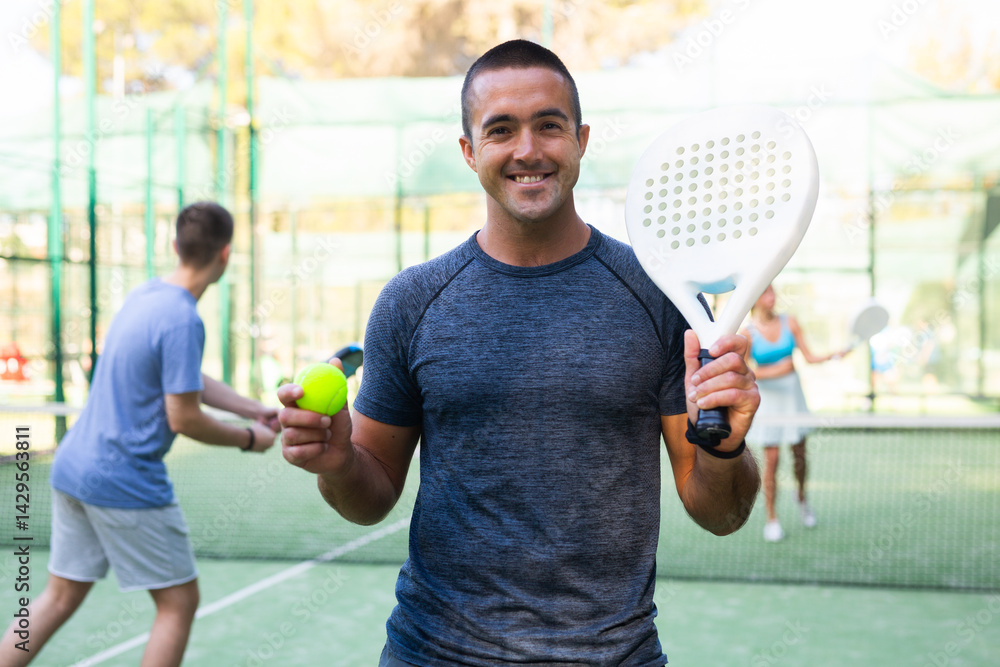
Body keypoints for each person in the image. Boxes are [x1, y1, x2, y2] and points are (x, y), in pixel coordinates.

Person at [279, 40, 761, 666]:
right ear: (469, 150)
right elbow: (368, 500)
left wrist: (725, 447)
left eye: (549, 126)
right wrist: (339, 460)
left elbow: (718, 512)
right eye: (501, 129)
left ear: (581, 140)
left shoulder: (658, 295)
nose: (527, 150)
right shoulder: (410, 302)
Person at [0, 202, 279, 667]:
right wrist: (249, 438)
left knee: (59, 597)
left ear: (175, 246)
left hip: (72, 469)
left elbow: (185, 379)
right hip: (121, 480)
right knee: (177, 604)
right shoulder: (184, 319)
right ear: (225, 255)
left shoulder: (146, 295)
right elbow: (184, 417)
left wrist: (253, 409)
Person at [740, 283, 848, 543]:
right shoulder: (748, 334)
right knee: (773, 460)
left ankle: (801, 497)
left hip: (793, 399)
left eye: (772, 291)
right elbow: (745, 373)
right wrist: (780, 369)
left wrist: (835, 355)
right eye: (765, 292)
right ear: (755, 299)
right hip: (768, 403)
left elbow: (809, 357)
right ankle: (772, 518)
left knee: (800, 456)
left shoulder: (791, 323)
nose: (772, 297)